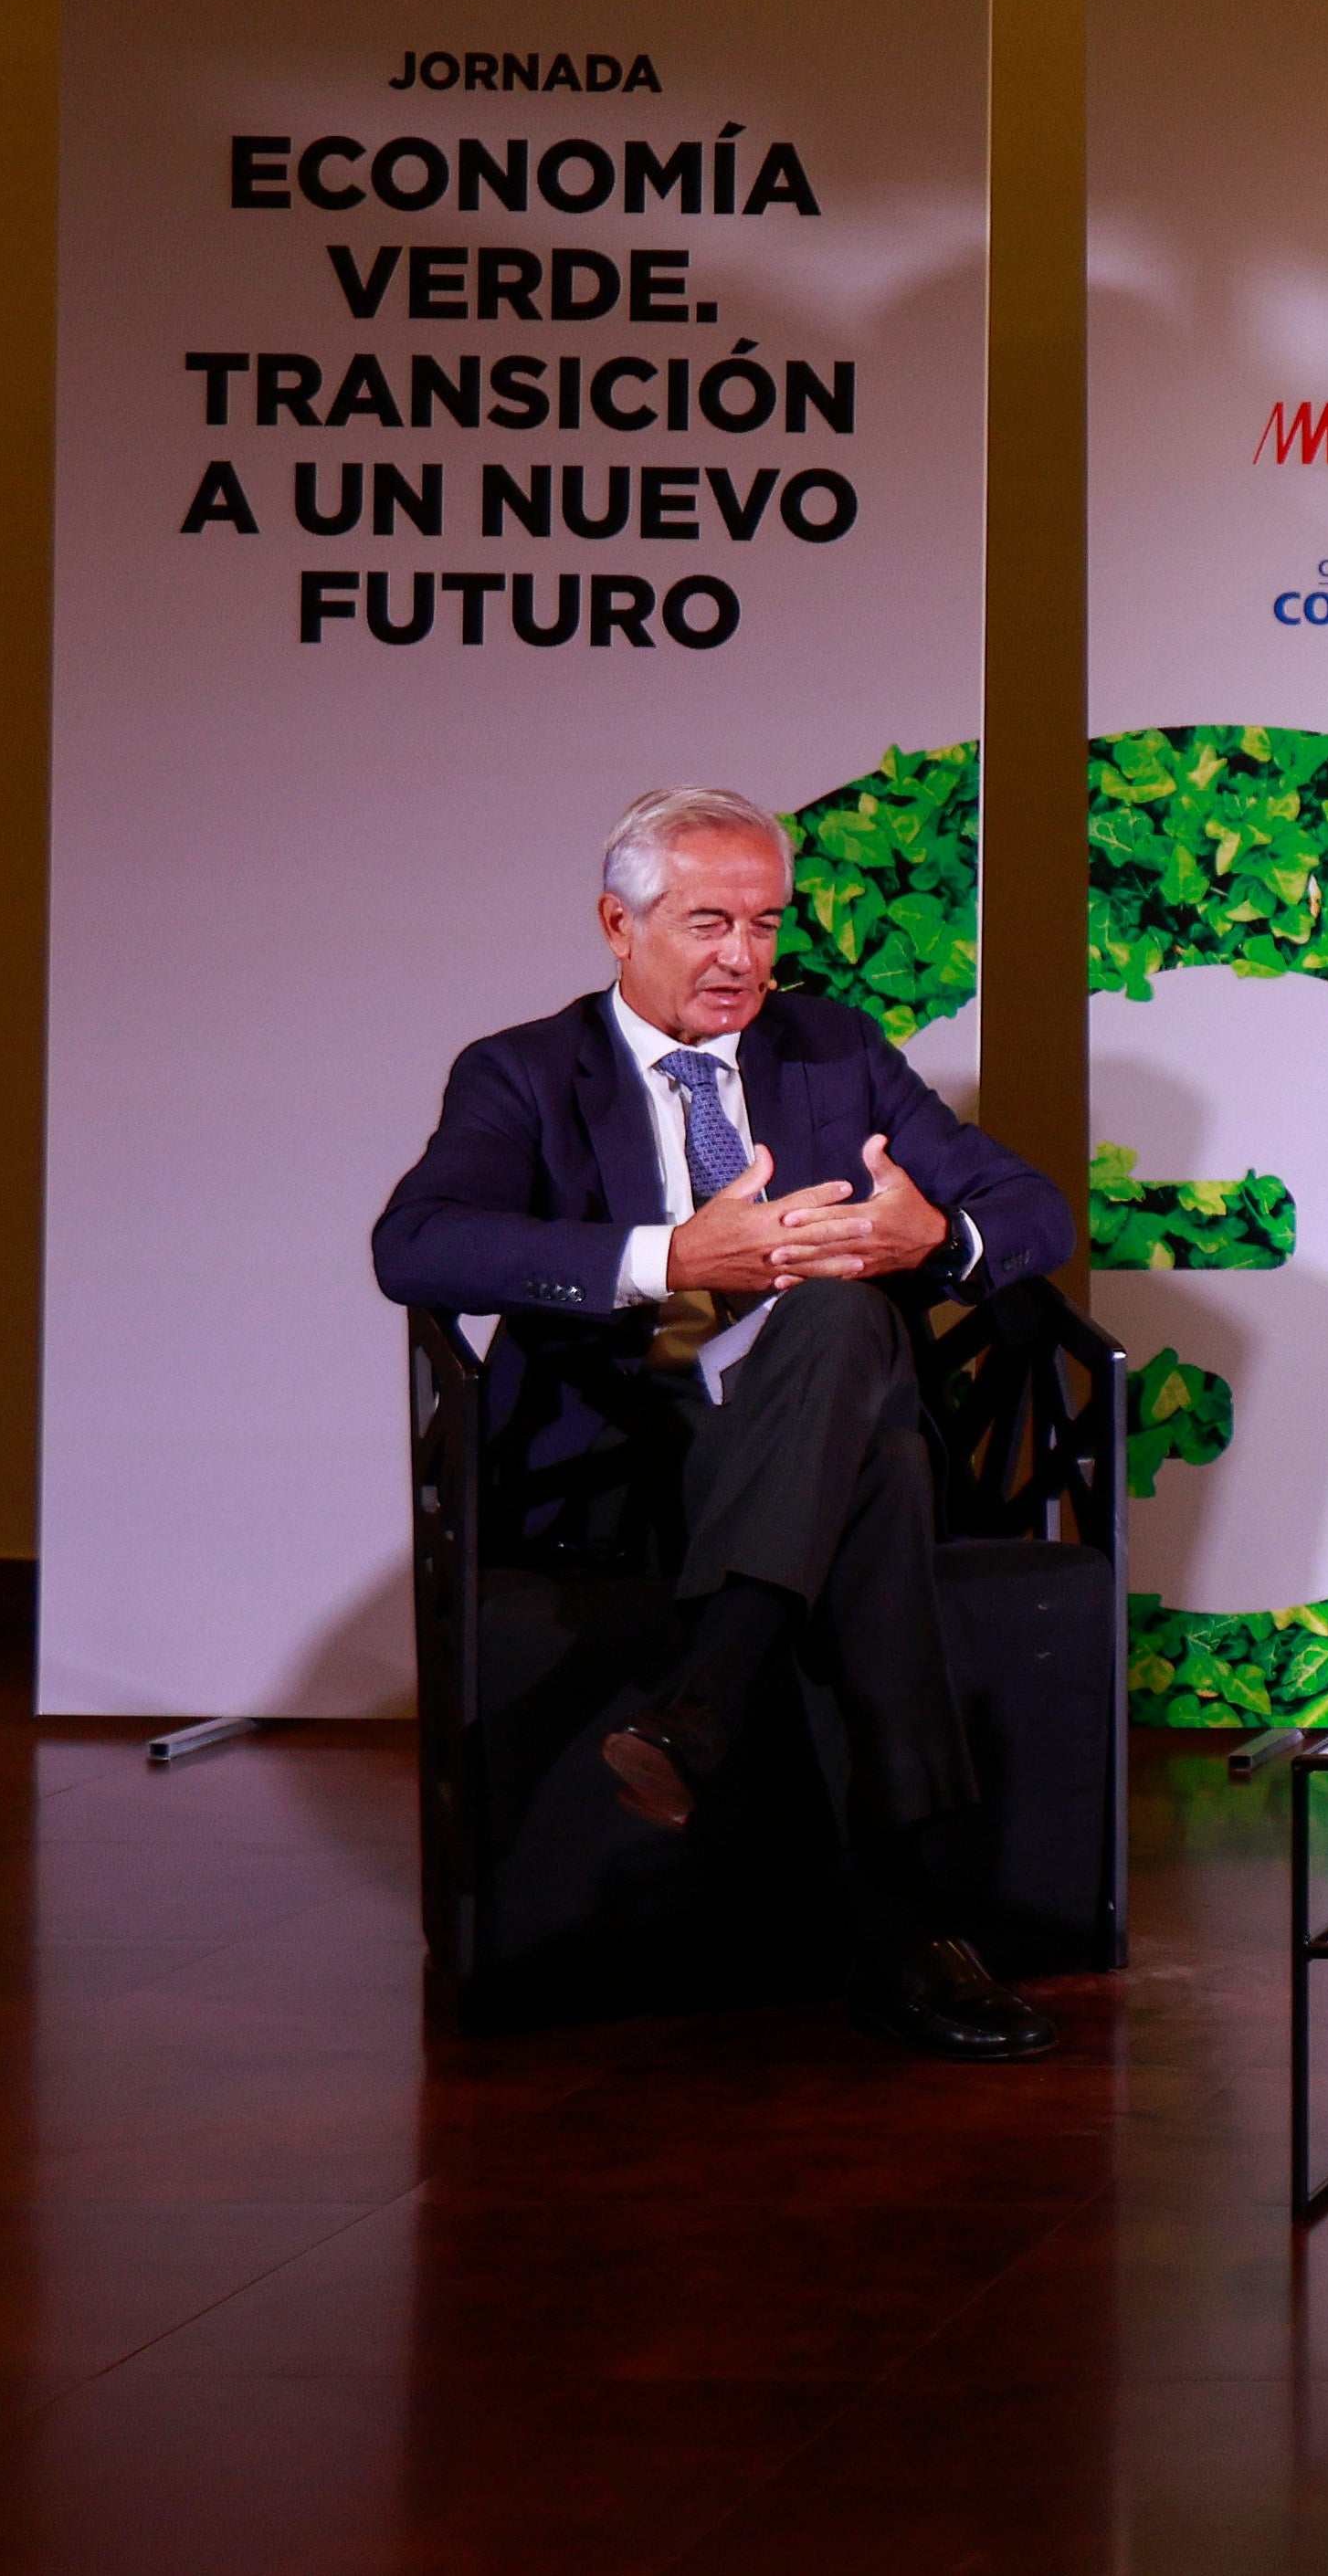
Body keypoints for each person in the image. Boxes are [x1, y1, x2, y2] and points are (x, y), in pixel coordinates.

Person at [371, 785, 1080, 2060]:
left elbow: (1034, 1209)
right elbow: (415, 1243)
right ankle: (909, 1932)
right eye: (708, 922)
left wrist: (944, 1236)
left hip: (800, 1413)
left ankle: (706, 1698)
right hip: (620, 1448)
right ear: (616, 922)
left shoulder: (833, 1050)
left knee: (844, 1325)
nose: (743, 958)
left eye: (765, 923)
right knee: (880, 1463)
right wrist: (664, 1253)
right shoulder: (525, 1072)